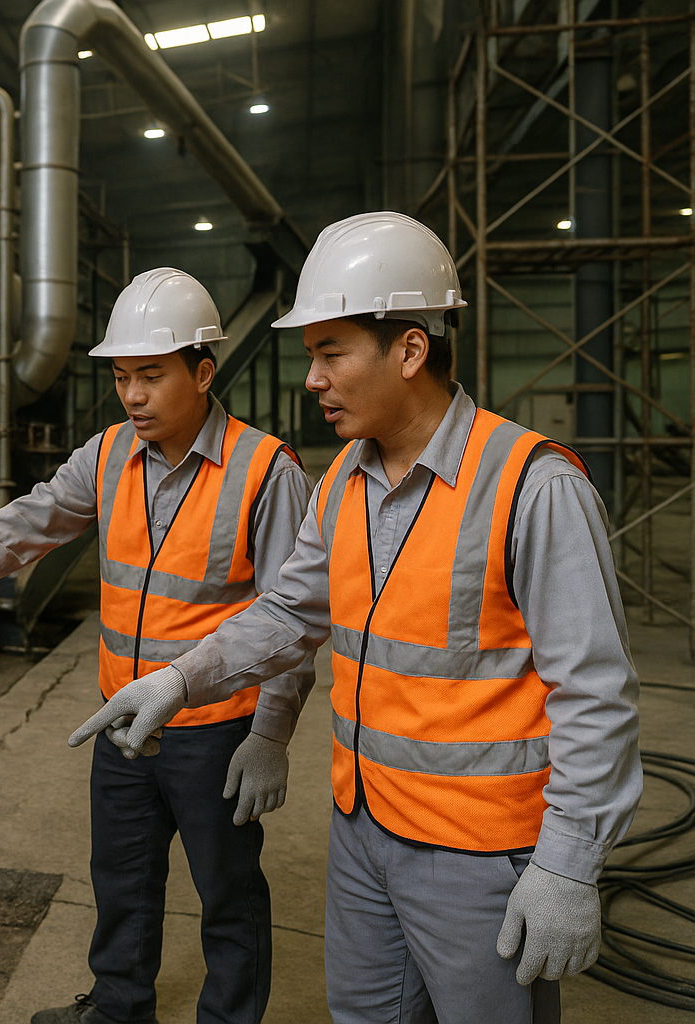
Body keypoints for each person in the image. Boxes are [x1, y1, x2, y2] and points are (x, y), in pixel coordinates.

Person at [72, 213, 642, 1024]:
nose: (314, 379)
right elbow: (287, 614)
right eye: (314, 357)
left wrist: (570, 865)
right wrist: (180, 678)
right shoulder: (344, 480)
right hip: (363, 830)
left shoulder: (531, 487)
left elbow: (596, 691)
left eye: (330, 353)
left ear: (410, 350)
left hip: (478, 854)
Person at [0, 269, 313, 1024]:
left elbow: (295, 618)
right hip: (121, 723)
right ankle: (118, 1008)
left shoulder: (265, 471)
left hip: (214, 731)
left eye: (151, 375)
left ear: (203, 372)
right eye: (122, 377)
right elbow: (35, 516)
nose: (133, 395)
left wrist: (271, 736)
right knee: (121, 880)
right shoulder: (109, 454)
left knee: (229, 896)